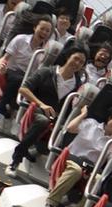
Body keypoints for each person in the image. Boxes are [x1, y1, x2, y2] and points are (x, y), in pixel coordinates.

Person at [36, 104, 112, 207]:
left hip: (90, 169)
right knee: (76, 170)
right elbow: (70, 128)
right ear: (110, 118)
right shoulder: (91, 124)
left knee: (99, 179)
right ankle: (49, 204)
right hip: (72, 159)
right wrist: (83, 114)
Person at [6, 45, 87, 174]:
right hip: (36, 110)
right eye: (75, 59)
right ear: (68, 57)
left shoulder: (78, 86)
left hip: (56, 118)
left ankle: (44, 157)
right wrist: (41, 104)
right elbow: (24, 89)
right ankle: (16, 159)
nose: (77, 63)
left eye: (81, 62)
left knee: (67, 132)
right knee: (42, 121)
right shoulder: (46, 72)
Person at [0, 15, 54, 126]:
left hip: (28, 78)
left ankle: (19, 118)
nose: (44, 32)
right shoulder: (20, 39)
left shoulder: (46, 51)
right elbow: (5, 58)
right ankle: (0, 110)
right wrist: (1, 65)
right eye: (42, 29)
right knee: (18, 80)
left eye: (47, 31)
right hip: (12, 71)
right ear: (35, 28)